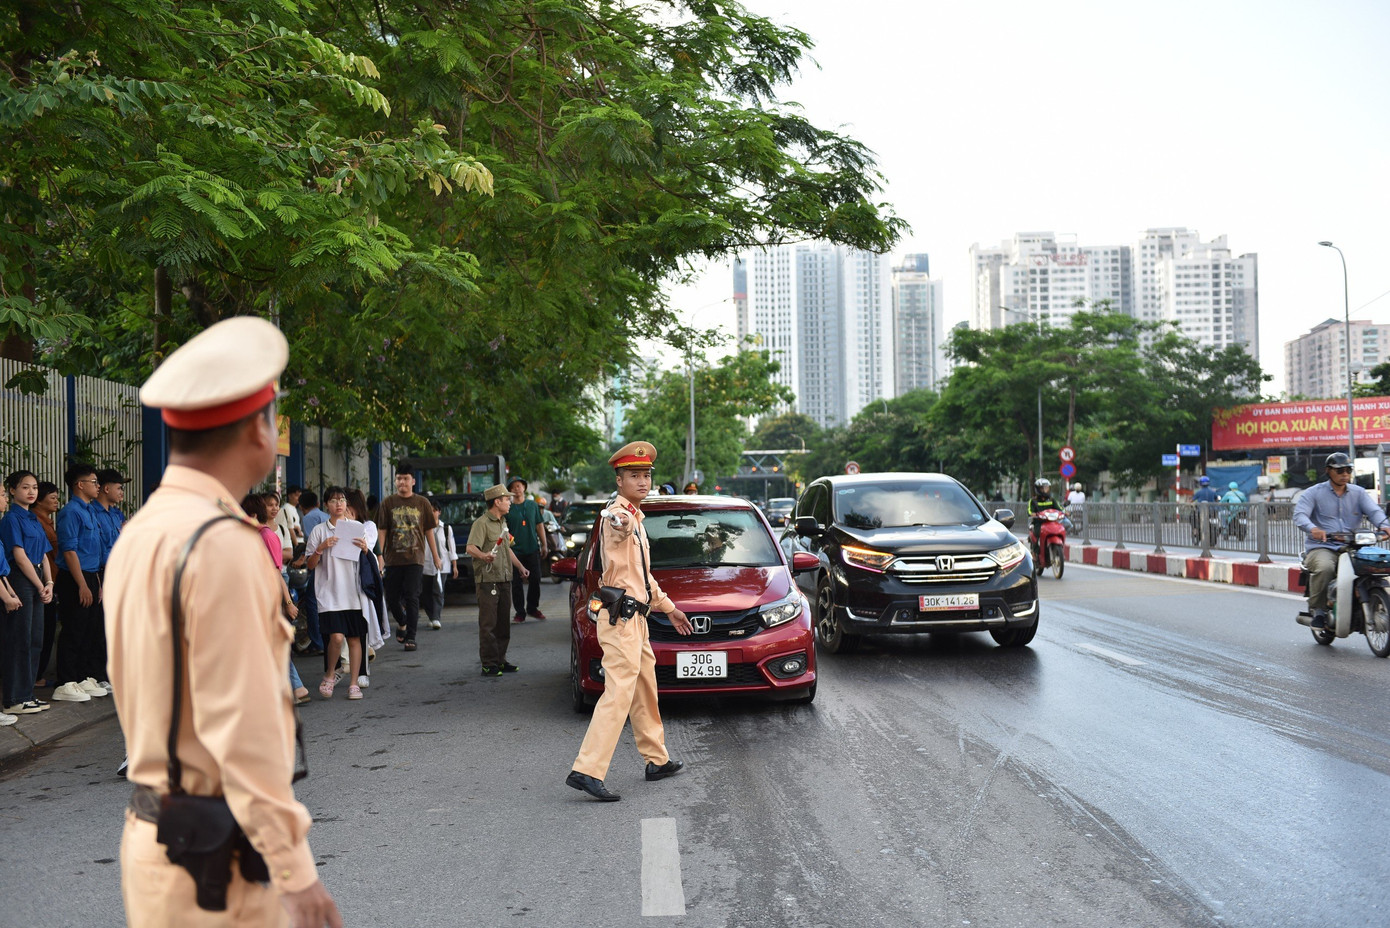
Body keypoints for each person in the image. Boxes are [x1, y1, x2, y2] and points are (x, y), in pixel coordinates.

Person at [105, 315, 341, 927]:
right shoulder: (223, 543)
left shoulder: (144, 529)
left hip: (156, 842)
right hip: (218, 866)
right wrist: (295, 871)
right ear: (257, 431)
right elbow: (244, 726)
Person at [567, 441, 692, 803]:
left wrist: (669, 608)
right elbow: (614, 526)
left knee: (644, 690)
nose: (642, 481)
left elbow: (645, 578)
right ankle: (587, 770)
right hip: (620, 620)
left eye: (646, 475)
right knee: (618, 693)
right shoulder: (619, 517)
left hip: (637, 619)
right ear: (619, 480)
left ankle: (657, 760)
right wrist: (618, 519)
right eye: (634, 476)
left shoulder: (636, 517)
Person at [1293, 452, 1390, 630]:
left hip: (1354, 546)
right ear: (1328, 471)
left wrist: (1385, 526)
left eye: (1348, 470)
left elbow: (1374, 512)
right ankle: (1319, 610)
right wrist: (1313, 529)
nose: (1345, 474)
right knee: (1325, 567)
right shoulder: (1313, 493)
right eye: (1340, 471)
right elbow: (1300, 515)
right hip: (1323, 546)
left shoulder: (1358, 493)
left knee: (1376, 564)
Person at [242, 493, 307, 705]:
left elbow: (276, 572)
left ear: (251, 515)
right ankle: (293, 688)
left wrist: (287, 603)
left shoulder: (266, 536)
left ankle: (291, 688)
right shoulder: (257, 535)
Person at [305, 487, 370, 700]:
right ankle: (330, 673)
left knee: (354, 638)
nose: (339, 504)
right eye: (333, 500)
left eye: (342, 500)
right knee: (335, 637)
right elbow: (311, 565)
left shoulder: (356, 527)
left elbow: (365, 558)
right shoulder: (319, 531)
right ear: (327, 505)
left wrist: (365, 549)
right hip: (329, 594)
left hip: (353, 592)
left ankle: (353, 684)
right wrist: (321, 548)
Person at [53, 462, 110, 702]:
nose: (98, 486)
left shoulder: (89, 511)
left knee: (90, 629)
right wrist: (83, 585)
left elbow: (95, 550)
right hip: (75, 577)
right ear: (80, 484)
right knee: (74, 629)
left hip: (91, 575)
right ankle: (66, 681)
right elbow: (69, 551)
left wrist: (96, 581)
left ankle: (82, 676)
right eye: (94, 482)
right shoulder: (71, 512)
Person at [2, 471, 55, 716]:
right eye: (25, 487)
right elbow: (20, 557)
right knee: (19, 640)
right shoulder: (11, 518)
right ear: (12, 490)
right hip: (21, 580)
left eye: (34, 487)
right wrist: (38, 584)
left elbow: (43, 554)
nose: (31, 492)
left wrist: (49, 582)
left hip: (37, 581)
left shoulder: (33, 518)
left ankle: (28, 695)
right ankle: (15, 697)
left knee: (36, 640)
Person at [375, 462, 440, 651]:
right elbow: (382, 531)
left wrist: (435, 556)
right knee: (392, 598)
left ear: (413, 481)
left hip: (415, 558)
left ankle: (411, 636)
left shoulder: (422, 503)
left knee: (412, 596)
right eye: (398, 478)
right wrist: (380, 555)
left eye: (405, 478)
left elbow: (429, 531)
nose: (401, 482)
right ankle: (402, 621)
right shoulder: (388, 503)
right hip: (393, 559)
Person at [466, 484, 529, 676]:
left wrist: (520, 567)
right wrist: (484, 555)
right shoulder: (481, 523)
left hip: (504, 578)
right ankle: (489, 663)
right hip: (488, 581)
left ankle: (501, 660)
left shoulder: (503, 523)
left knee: (503, 623)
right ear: (497, 502)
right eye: (507, 499)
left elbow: (506, 549)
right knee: (488, 624)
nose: (510, 502)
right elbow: (470, 548)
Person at [32, 481, 61, 688]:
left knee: (48, 629)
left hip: (51, 581)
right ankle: (35, 677)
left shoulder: (47, 522)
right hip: (39, 582)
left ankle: (38, 675)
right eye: (52, 497)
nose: (57, 502)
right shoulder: (34, 521)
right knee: (40, 631)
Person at [505, 477, 547, 622]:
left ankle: (532, 608)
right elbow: (505, 531)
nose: (517, 489)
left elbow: (539, 525)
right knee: (516, 583)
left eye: (519, 486)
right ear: (510, 490)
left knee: (535, 579)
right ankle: (520, 612)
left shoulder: (532, 505)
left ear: (524, 488)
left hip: (532, 548)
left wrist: (544, 544)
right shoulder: (508, 508)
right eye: (513, 487)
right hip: (515, 551)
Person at [296, 490, 326, 656]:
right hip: (331, 565)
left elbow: (311, 544)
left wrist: (301, 559)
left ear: (301, 506)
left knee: (311, 600)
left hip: (319, 563)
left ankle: (317, 642)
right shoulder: (325, 516)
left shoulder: (308, 518)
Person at [420, 497, 457, 631]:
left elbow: (451, 547)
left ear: (439, 512)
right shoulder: (422, 528)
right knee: (426, 593)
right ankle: (431, 616)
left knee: (438, 591)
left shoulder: (446, 528)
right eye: (429, 511)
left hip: (443, 565)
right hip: (426, 565)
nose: (432, 513)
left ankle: (436, 618)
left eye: (434, 511)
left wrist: (454, 565)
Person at [1027, 478, 1062, 559]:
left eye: (1047, 488)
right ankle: (1035, 553)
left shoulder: (1052, 499)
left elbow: (1059, 509)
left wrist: (1065, 512)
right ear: (1038, 489)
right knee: (1036, 535)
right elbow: (1029, 511)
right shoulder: (1033, 501)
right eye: (1043, 488)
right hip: (1038, 523)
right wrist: (1033, 514)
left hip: (1051, 522)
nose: (1046, 490)